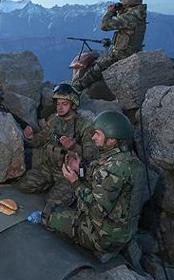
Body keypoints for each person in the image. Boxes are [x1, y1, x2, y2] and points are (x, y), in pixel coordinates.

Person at [43, 110, 145, 261]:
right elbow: (102, 180)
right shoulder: (128, 160)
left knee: (49, 212)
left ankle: (102, 247)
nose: (93, 137)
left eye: (98, 134)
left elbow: (97, 211)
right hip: (124, 229)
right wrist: (80, 169)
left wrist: (74, 181)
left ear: (112, 140)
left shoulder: (112, 168)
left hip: (104, 235)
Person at [17, 84, 96, 196]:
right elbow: (39, 140)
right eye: (58, 104)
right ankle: (51, 185)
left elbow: (91, 155)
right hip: (49, 167)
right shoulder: (54, 121)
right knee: (24, 185)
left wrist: (74, 147)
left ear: (73, 105)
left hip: (68, 172)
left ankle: (66, 192)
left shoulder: (84, 126)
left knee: (53, 204)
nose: (60, 107)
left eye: (64, 104)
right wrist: (30, 137)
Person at [73, 0, 147, 92]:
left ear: (128, 4)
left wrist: (110, 12)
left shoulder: (129, 18)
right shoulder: (139, 16)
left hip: (121, 55)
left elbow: (104, 26)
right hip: (135, 51)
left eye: (123, 4)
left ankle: (77, 87)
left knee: (96, 69)